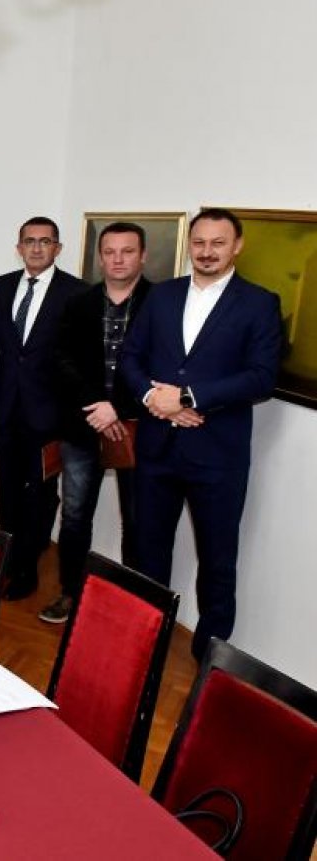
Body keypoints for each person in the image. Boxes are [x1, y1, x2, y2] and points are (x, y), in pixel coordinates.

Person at [120, 208, 281, 659]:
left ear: (237, 246)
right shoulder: (162, 295)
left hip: (217, 457)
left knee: (217, 561)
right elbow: (131, 358)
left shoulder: (259, 303)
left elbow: (261, 377)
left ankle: (209, 659)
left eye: (218, 243)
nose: (207, 252)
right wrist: (155, 399)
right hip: (157, 448)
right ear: (189, 245)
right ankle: (147, 643)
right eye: (199, 243)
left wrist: (189, 398)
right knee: (148, 552)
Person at [42, 221, 153, 624]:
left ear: (143, 256)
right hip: (82, 424)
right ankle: (71, 592)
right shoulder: (78, 302)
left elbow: (162, 365)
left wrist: (117, 408)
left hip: (138, 427)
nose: (118, 259)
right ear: (100, 257)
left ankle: (132, 604)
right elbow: (61, 359)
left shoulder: (160, 303)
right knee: (74, 516)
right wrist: (97, 405)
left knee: (137, 520)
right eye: (109, 251)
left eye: (127, 251)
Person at [0, 216, 86, 599]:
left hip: (49, 417)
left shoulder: (76, 292)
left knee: (41, 495)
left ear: (57, 248)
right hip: (5, 411)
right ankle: (10, 561)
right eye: (29, 241)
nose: (37, 248)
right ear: (19, 247)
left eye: (45, 241)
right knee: (8, 489)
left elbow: (79, 359)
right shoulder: (0, 286)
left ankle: (28, 567)